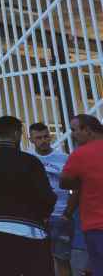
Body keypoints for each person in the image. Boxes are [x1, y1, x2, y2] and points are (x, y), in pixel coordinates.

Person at [0, 116, 56, 275]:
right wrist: (42, 214)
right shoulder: (30, 161)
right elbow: (47, 196)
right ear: (16, 134)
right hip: (31, 230)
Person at [29, 122, 78, 276]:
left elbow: (76, 186)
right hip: (36, 218)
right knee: (39, 261)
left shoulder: (64, 158)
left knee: (62, 260)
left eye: (46, 137)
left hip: (60, 215)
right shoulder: (27, 159)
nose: (43, 140)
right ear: (31, 140)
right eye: (39, 138)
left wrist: (67, 214)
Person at [60, 114, 103, 276]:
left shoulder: (81, 154)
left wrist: (82, 182)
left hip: (96, 226)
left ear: (88, 130)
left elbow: (64, 182)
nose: (72, 134)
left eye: (74, 129)